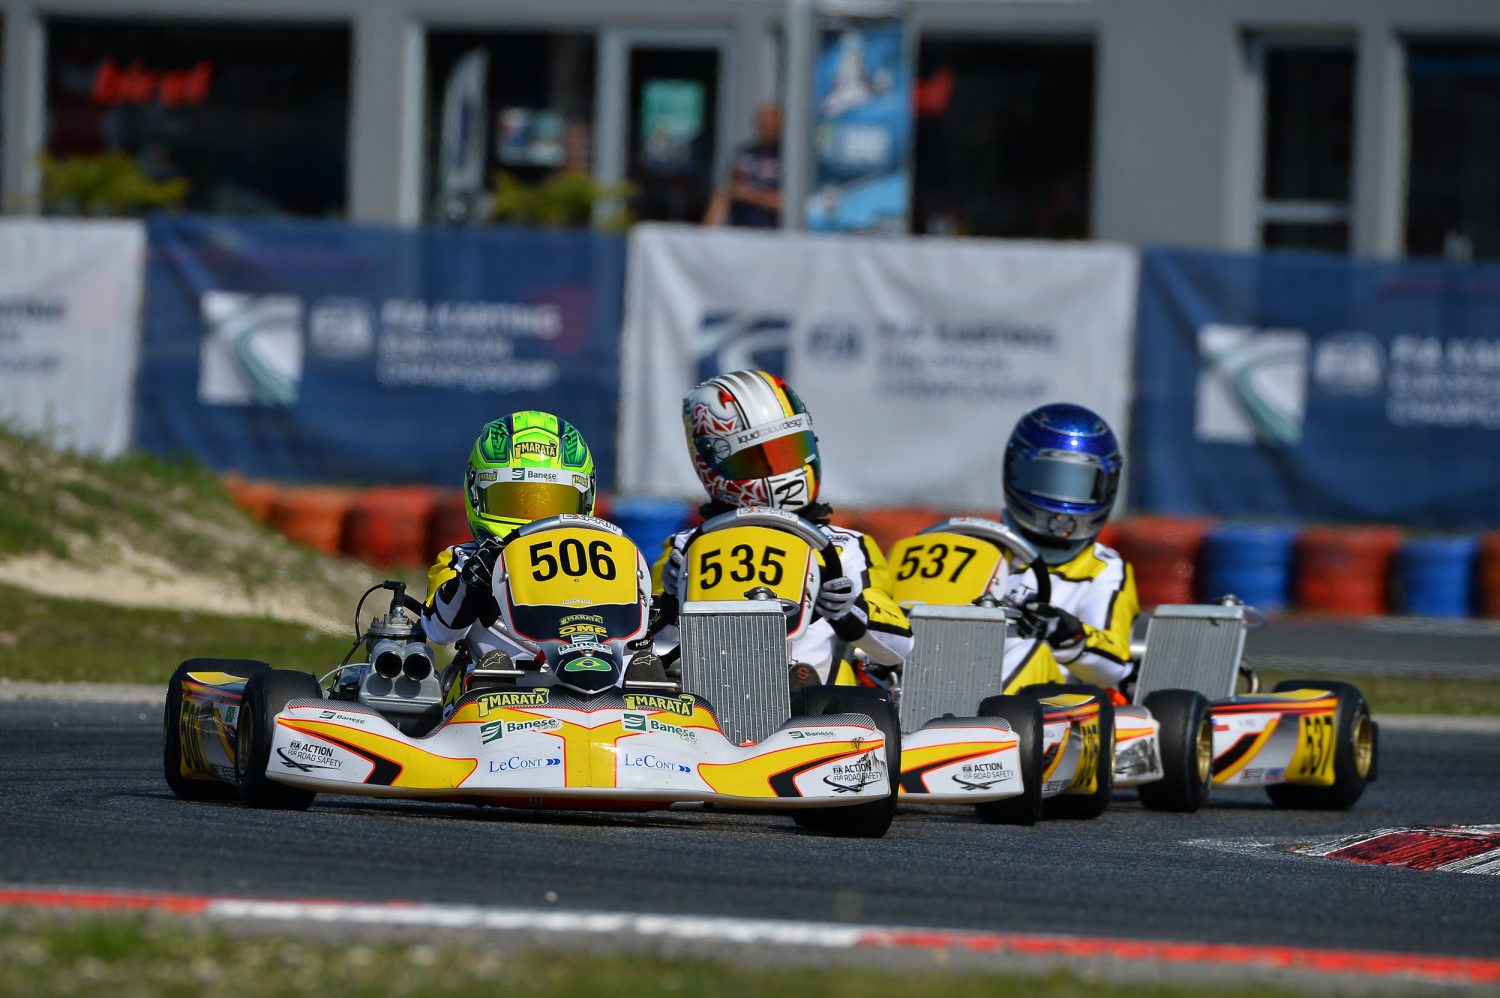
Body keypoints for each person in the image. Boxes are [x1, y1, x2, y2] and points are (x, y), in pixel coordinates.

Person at [653, 369, 911, 688]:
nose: (783, 471)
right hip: (707, 699)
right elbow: (643, 640)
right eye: (756, 460)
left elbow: (901, 649)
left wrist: (848, 611)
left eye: (789, 450)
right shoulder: (687, 547)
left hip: (817, 705)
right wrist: (669, 600)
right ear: (712, 467)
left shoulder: (847, 547)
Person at [423, 410, 598, 709]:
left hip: (598, 692)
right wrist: (472, 582)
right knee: (494, 671)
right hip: (498, 697)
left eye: (553, 503)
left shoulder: (598, 559)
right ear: (477, 495)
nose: (533, 521)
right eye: (513, 500)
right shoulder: (462, 559)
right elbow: (439, 631)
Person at [994, 403, 1139, 695]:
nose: (1062, 506)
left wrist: (1067, 633)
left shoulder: (1103, 569)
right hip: (957, 673)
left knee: (1029, 651)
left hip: (1050, 704)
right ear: (1016, 471)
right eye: (1049, 479)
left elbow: (1115, 665)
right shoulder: (978, 546)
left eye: (1080, 483)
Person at [702, 104, 782, 229]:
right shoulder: (745, 154)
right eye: (764, 124)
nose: (768, 130)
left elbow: (789, 202)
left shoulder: (789, 159)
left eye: (773, 126)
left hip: (774, 230)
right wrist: (704, 233)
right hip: (741, 227)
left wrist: (751, 194)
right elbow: (727, 190)